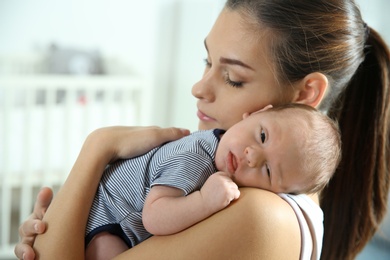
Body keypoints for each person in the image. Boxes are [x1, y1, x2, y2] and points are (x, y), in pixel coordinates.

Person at [15, 0, 390, 259]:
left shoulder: (260, 215)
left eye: (232, 77)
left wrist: (99, 146)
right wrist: (66, 221)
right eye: (207, 61)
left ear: (306, 92)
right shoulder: (240, 182)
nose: (199, 88)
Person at [85, 104, 341, 259]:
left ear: (280, 193)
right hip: (106, 219)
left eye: (268, 171)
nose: (251, 156)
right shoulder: (197, 156)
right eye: (262, 135)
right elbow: (154, 215)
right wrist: (205, 201)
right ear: (256, 113)